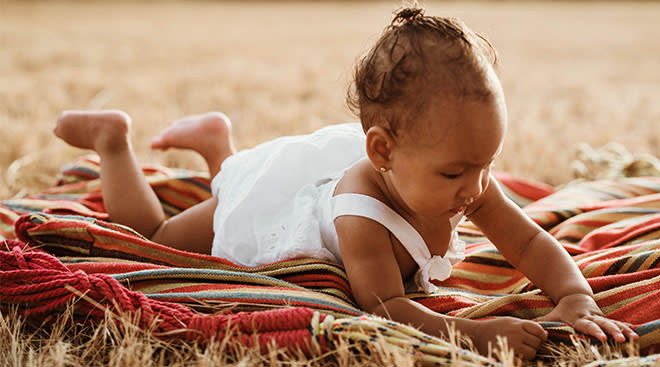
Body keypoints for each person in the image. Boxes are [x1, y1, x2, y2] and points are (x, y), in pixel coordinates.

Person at [52, 7, 637, 360]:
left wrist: (574, 296)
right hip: (279, 208)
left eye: (486, 163)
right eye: (456, 172)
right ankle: (115, 141)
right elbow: (386, 308)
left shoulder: (464, 179)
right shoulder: (360, 216)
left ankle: (216, 146)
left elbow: (530, 242)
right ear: (383, 151)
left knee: (228, 182)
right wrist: (476, 333)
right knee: (158, 230)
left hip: (342, 173)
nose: (477, 187)